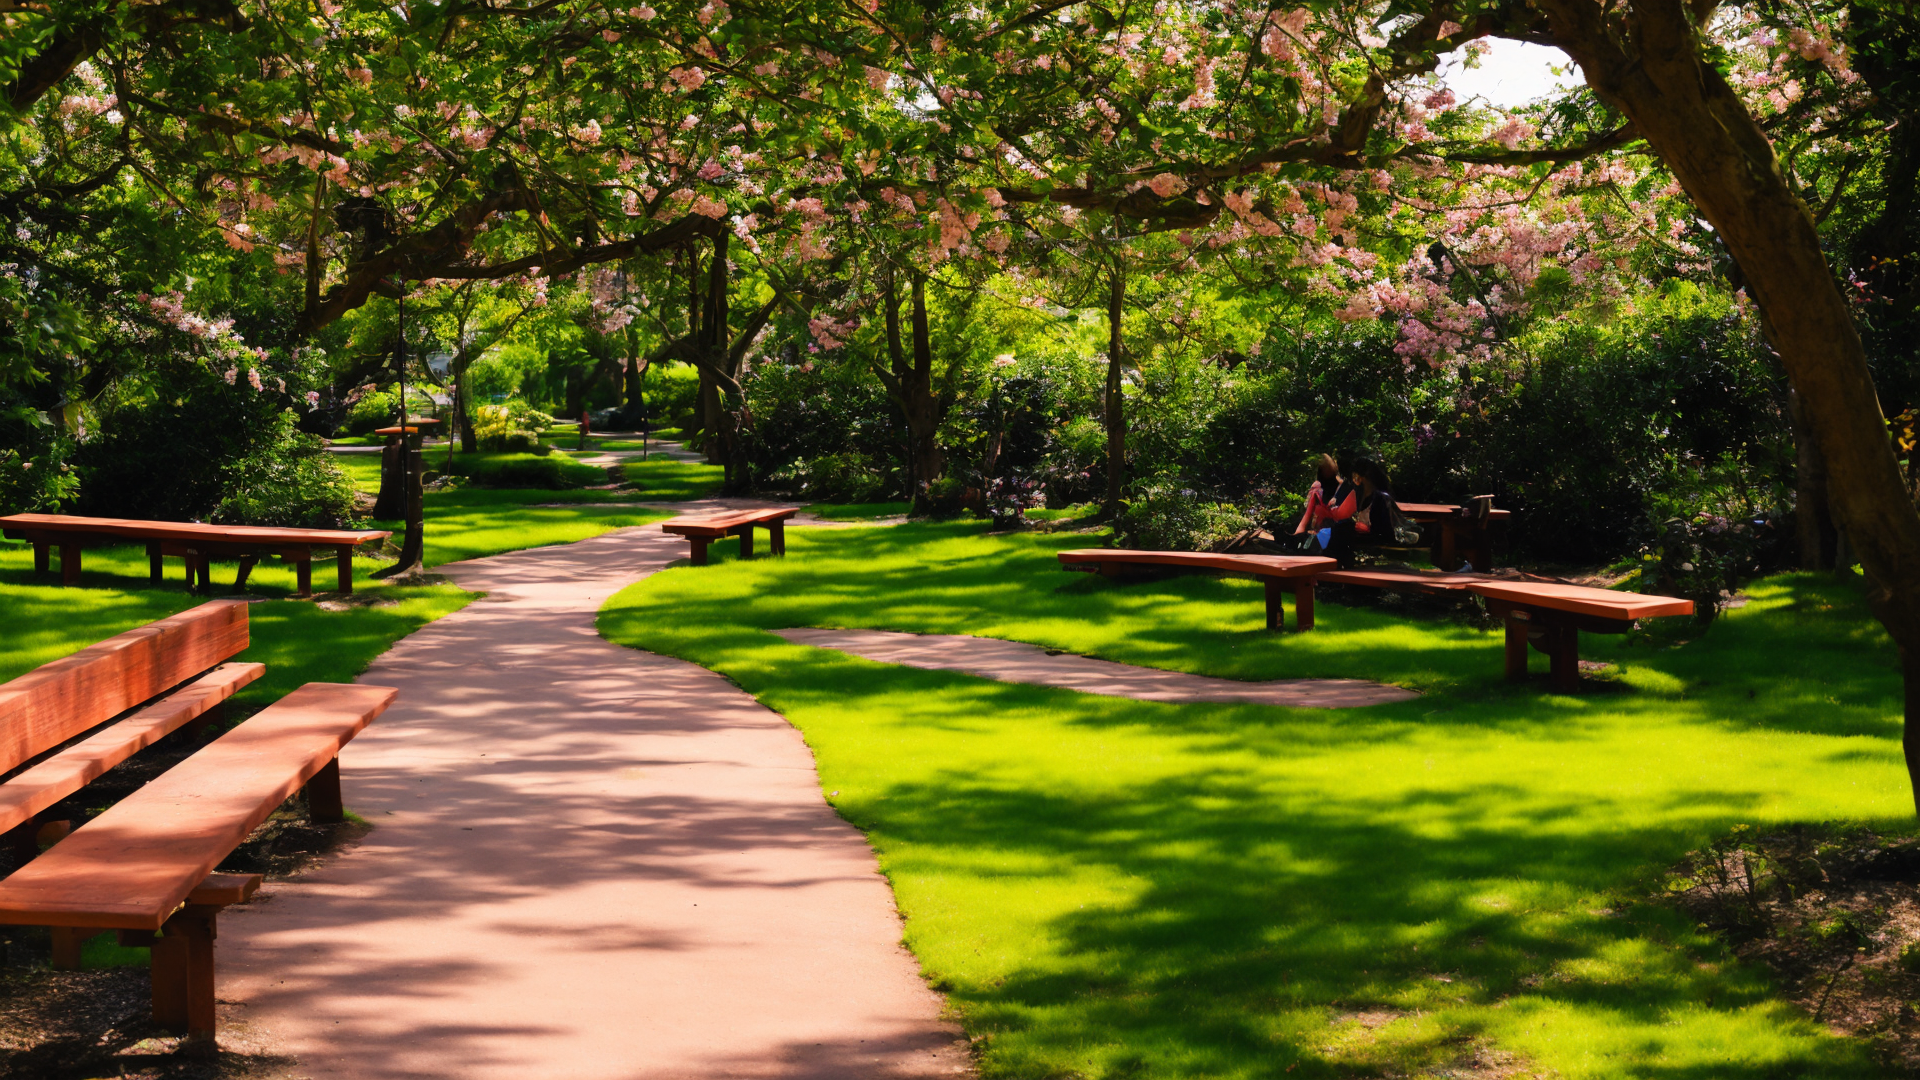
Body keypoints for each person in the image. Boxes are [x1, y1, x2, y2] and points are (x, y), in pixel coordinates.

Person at [1316, 458, 1397, 567]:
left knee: (1340, 533)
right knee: (1337, 532)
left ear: (1364, 477)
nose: (1354, 481)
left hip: (1373, 539)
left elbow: (1385, 532)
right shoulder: (1359, 495)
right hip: (1358, 537)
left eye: (1356, 477)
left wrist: (1366, 529)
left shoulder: (1379, 498)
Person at [1291, 454, 1342, 538]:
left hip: (1336, 536)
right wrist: (1296, 536)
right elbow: (1306, 517)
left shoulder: (1342, 489)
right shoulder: (1317, 489)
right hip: (1316, 536)